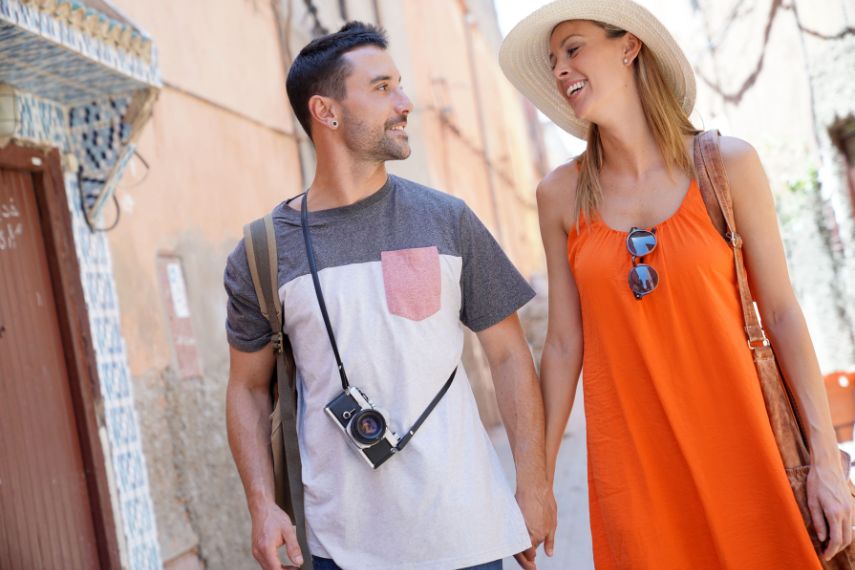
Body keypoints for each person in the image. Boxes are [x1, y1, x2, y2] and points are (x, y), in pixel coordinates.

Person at [498, 0, 854, 567]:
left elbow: (782, 313)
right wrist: (535, 482)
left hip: (747, 449)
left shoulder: (728, 166)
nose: (561, 69)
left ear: (628, 46)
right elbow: (563, 344)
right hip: (633, 471)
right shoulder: (559, 196)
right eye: (553, 61)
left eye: (573, 48)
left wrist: (827, 462)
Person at [224, 21, 556, 570]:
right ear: (326, 111)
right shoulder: (263, 252)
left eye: (399, 85)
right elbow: (247, 388)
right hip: (338, 547)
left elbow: (508, 356)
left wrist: (535, 484)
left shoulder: (447, 220)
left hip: (466, 534)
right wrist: (262, 505)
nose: (405, 103)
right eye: (382, 88)